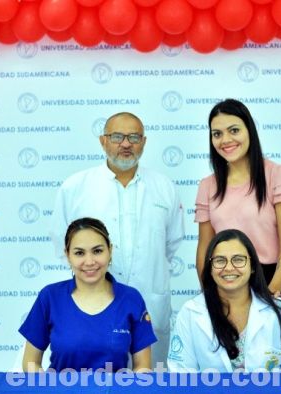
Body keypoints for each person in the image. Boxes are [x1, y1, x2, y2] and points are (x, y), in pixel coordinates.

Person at [51, 112, 184, 366]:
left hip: (150, 306)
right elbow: (63, 244)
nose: (126, 144)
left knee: (149, 380)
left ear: (144, 142)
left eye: (134, 137)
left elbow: (171, 244)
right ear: (103, 141)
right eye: (117, 137)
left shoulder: (164, 187)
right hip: (92, 307)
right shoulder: (75, 187)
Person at [195, 99, 281, 314]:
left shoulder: (278, 174)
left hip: (274, 283)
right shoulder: (207, 185)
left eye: (233, 130)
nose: (225, 140)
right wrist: (210, 294)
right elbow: (204, 249)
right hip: (226, 284)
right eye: (217, 134)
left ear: (250, 131)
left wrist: (269, 298)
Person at [20, 217, 156, 372]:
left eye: (97, 251)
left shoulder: (131, 299)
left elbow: (143, 368)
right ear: (67, 255)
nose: (89, 261)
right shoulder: (50, 297)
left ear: (110, 251)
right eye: (79, 253)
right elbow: (31, 362)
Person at [168, 229, 281, 372]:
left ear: (252, 267)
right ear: (210, 268)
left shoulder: (280, 311)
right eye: (220, 261)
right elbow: (181, 374)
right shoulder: (190, 313)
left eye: (238, 260)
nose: (229, 268)